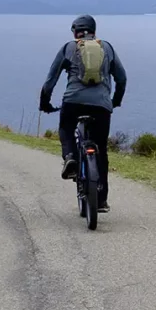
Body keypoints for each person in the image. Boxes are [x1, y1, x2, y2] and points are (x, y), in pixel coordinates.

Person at [39, 14, 126, 212]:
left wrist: (45, 103)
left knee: (65, 128)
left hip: (73, 102)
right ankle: (101, 199)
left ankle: (70, 156)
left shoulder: (68, 48)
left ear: (75, 32)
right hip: (102, 106)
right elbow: (122, 79)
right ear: (94, 31)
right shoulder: (107, 48)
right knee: (101, 149)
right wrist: (115, 102)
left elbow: (49, 82)